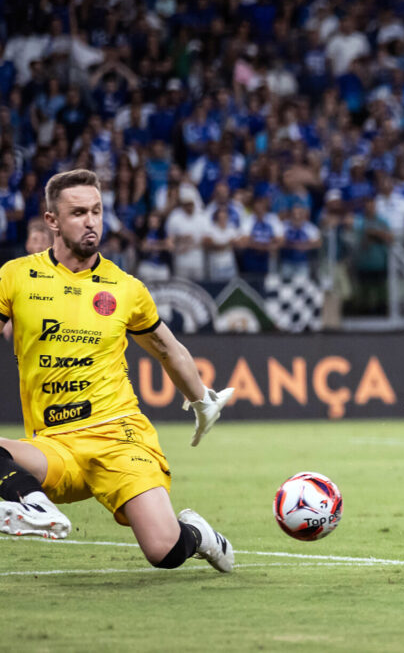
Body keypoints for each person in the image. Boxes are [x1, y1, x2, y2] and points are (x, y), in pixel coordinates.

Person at [0, 169, 237, 573]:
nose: (91, 221)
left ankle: (199, 535)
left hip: (119, 437)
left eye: (96, 211)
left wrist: (201, 400)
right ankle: (29, 502)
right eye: (78, 212)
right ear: (52, 220)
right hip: (54, 446)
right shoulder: (15, 276)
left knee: (164, 551)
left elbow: (167, 347)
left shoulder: (125, 287)